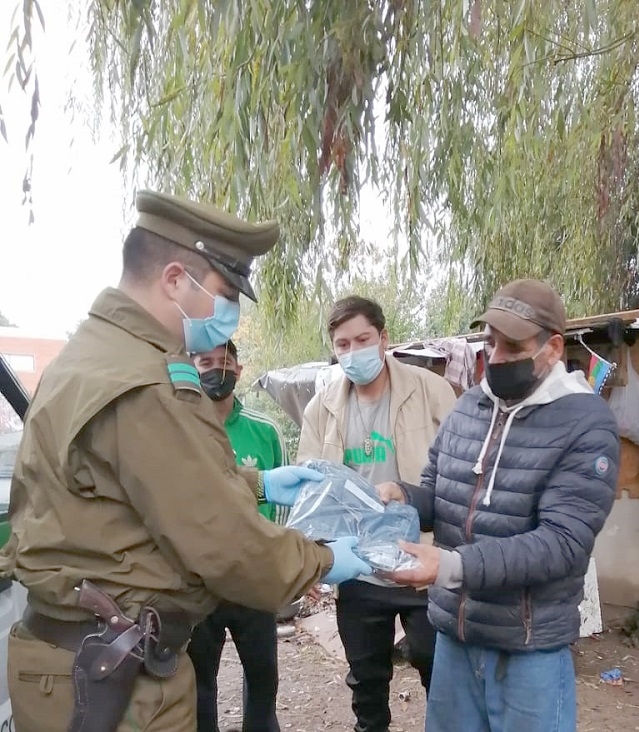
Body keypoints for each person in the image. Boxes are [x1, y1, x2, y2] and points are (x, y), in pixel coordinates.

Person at [0, 190, 372, 732]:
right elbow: (224, 543)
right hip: (114, 680)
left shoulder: (91, 356)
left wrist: (260, 482)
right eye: (225, 294)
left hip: (84, 662)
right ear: (175, 280)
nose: (231, 316)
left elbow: (133, 486)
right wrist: (319, 560)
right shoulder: (143, 381)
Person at [378, 279, 620, 732]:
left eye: (512, 345)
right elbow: (440, 493)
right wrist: (406, 496)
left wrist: (450, 565)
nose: (497, 356)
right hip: (455, 637)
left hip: (528, 649)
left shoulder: (586, 424)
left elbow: (561, 544)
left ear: (551, 347)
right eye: (490, 342)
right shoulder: (469, 407)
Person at [297, 295, 456, 732]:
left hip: (421, 559)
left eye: (363, 339)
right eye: (342, 344)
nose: (353, 352)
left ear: (384, 338)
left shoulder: (431, 391)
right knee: (366, 680)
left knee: (435, 668)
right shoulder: (322, 408)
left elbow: (463, 477)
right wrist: (310, 558)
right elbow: (310, 494)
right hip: (358, 565)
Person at [188, 340, 286, 732]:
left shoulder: (265, 431)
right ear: (191, 368)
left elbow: (282, 507)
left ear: (239, 371)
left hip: (254, 581)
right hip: (200, 584)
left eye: (224, 362)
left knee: (263, 683)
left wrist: (279, 566)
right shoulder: (179, 433)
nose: (215, 370)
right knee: (198, 688)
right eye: (205, 362)